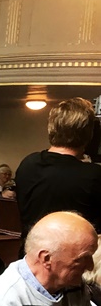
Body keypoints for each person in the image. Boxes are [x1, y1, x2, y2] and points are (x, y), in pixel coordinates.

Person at [15, 97, 101, 239]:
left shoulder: (28, 163)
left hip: (29, 255)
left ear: (52, 127)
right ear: (89, 134)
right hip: (75, 258)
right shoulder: (94, 176)